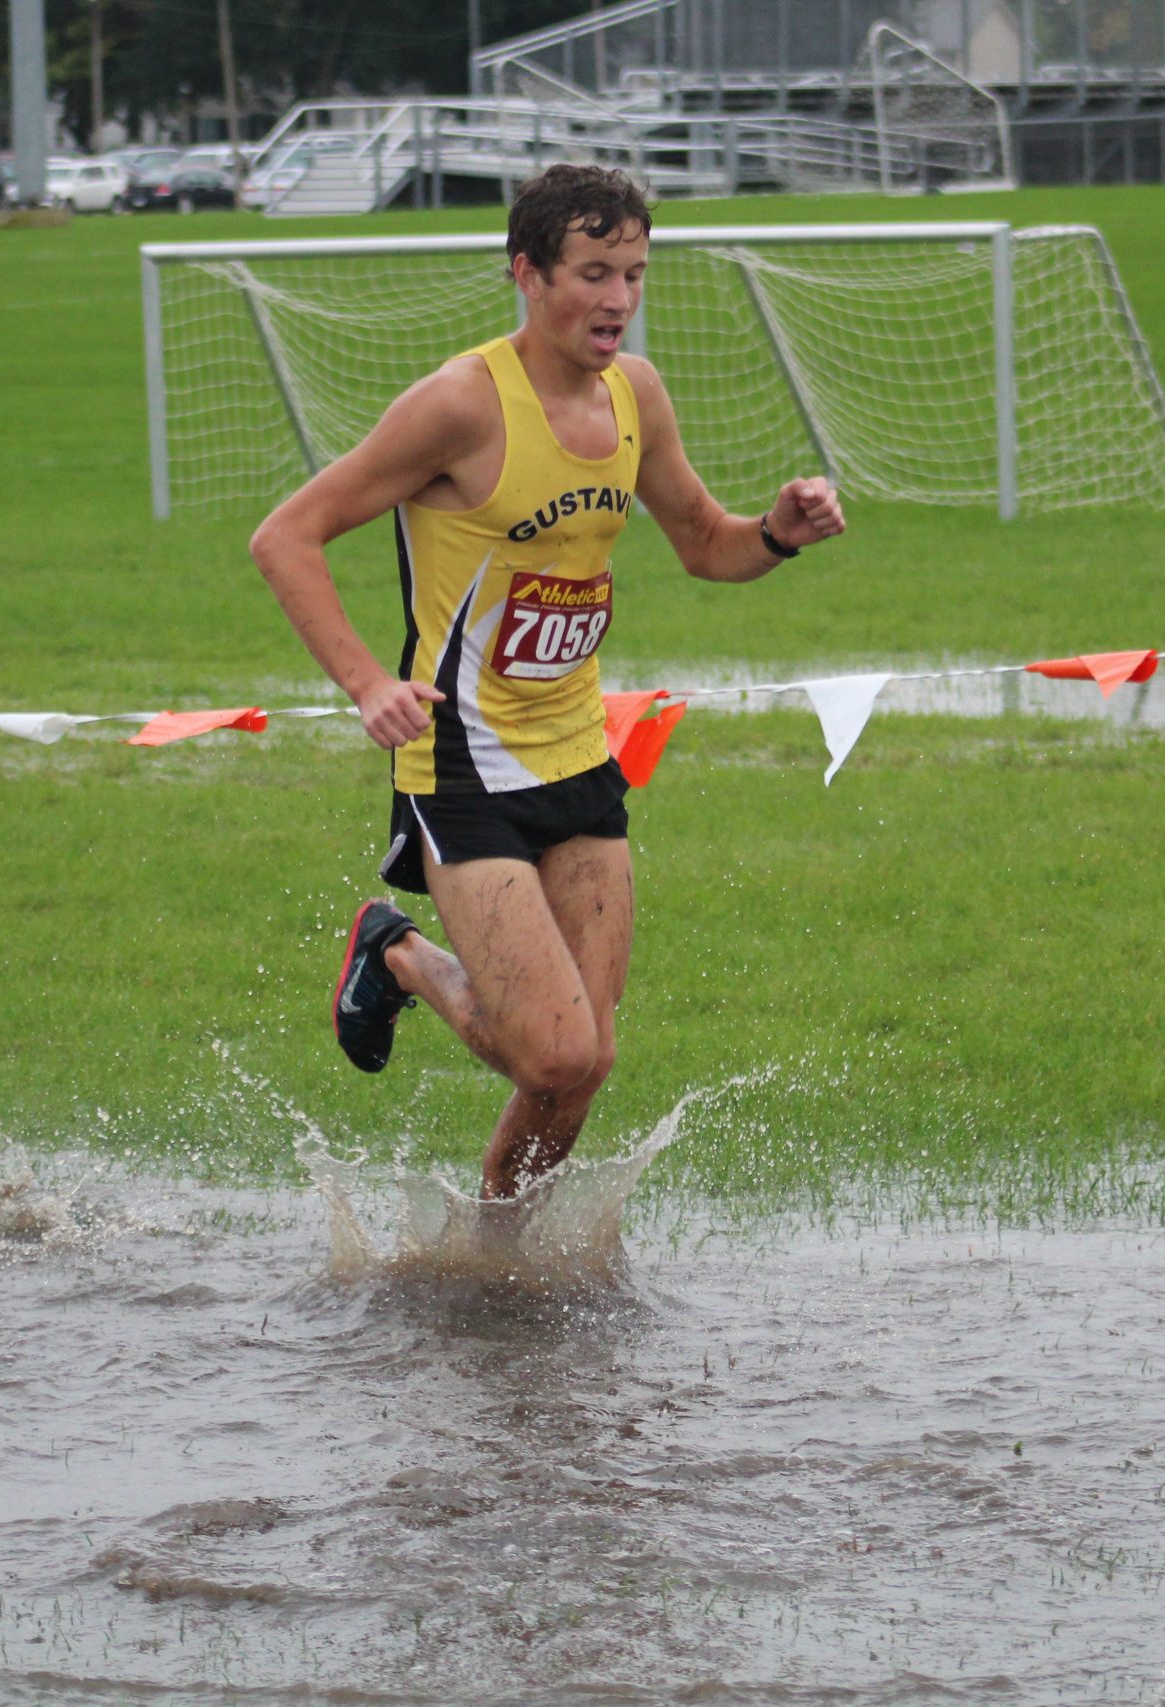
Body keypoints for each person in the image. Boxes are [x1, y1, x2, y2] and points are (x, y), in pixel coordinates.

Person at [249, 165, 845, 1202]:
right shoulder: (459, 406)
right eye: (592, 274)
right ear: (527, 273)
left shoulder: (635, 395)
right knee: (556, 1055)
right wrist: (362, 685)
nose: (617, 300)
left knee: (587, 1066)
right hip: (461, 766)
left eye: (633, 274)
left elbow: (707, 544)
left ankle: (496, 1256)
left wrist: (776, 536)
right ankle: (397, 955)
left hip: (579, 757)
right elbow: (286, 536)